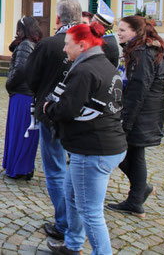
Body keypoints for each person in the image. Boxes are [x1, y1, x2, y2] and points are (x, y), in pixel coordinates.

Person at [44, 22, 127, 255]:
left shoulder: (84, 71)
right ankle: (72, 245)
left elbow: (66, 110)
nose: (64, 50)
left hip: (93, 149)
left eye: (67, 45)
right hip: (99, 145)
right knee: (71, 196)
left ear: (82, 45)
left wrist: (49, 106)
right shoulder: (105, 64)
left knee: (90, 211)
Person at [26, 0, 82, 242]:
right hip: (82, 115)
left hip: (51, 114)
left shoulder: (48, 44)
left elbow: (31, 78)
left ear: (57, 19)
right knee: (76, 170)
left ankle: (63, 223)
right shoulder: (91, 44)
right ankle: (74, 224)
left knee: (56, 170)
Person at [105, 15, 164, 218]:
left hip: (140, 115)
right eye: (118, 29)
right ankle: (138, 195)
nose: (118, 33)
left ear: (136, 32)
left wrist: (126, 122)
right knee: (133, 155)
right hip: (143, 114)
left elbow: (137, 90)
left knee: (121, 153)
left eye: (123, 30)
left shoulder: (142, 53)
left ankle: (137, 196)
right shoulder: (139, 50)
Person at [2, 16, 42, 179]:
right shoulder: (32, 44)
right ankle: (22, 167)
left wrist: (9, 85)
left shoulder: (26, 45)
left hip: (22, 95)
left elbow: (20, 70)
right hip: (25, 94)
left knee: (21, 132)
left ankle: (20, 168)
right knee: (23, 131)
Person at [84, 0, 119, 67]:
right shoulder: (108, 37)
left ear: (98, 24)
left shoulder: (106, 42)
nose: (89, 24)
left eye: (92, 21)